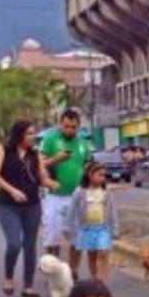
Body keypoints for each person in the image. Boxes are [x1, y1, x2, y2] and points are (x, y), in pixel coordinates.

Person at [0, 119, 56, 297]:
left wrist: (54, 184)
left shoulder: (35, 154)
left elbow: (42, 177)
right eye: (29, 133)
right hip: (8, 205)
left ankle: (28, 286)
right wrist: (12, 191)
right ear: (19, 134)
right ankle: (8, 276)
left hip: (32, 205)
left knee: (30, 245)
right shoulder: (3, 150)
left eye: (34, 133)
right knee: (14, 243)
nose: (33, 137)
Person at [39, 109, 91, 275]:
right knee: (52, 236)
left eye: (73, 127)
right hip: (54, 196)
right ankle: (52, 270)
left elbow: (87, 165)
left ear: (78, 126)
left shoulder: (83, 143)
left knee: (76, 236)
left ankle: (71, 271)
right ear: (60, 124)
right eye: (66, 126)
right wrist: (57, 158)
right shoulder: (49, 140)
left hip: (76, 196)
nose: (69, 130)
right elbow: (39, 165)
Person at [67, 162, 119, 281]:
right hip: (87, 228)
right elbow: (72, 209)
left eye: (104, 175)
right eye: (99, 175)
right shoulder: (80, 191)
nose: (102, 178)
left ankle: (102, 278)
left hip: (103, 228)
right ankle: (95, 279)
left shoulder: (106, 191)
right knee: (92, 255)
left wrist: (115, 228)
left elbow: (112, 211)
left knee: (103, 252)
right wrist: (68, 227)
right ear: (90, 175)